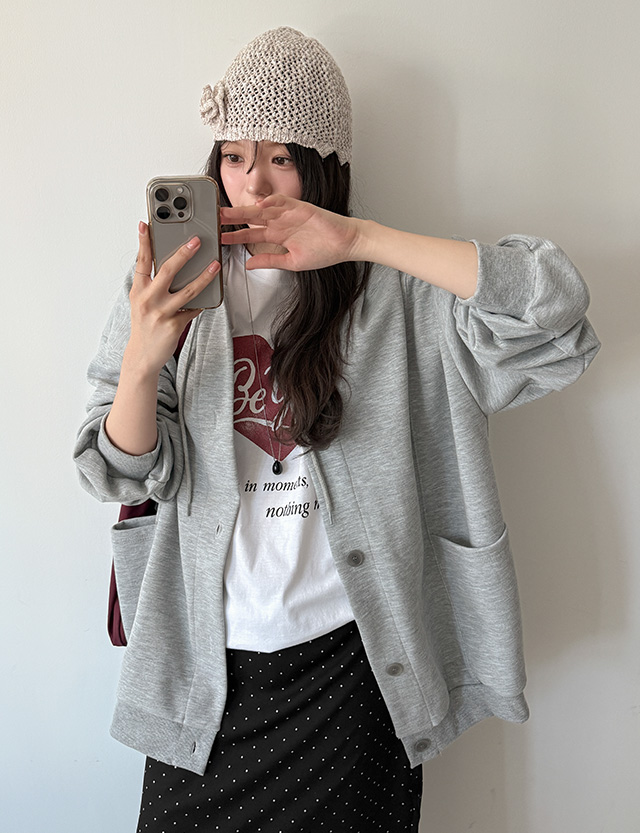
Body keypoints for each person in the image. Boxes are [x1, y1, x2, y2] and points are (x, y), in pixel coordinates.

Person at [74, 26, 600, 833]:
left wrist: (358, 239)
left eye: (282, 157)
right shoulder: (170, 286)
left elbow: (555, 309)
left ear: (325, 169)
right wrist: (145, 358)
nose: (252, 181)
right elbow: (112, 468)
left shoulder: (394, 295)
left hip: (354, 672)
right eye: (234, 155)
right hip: (204, 674)